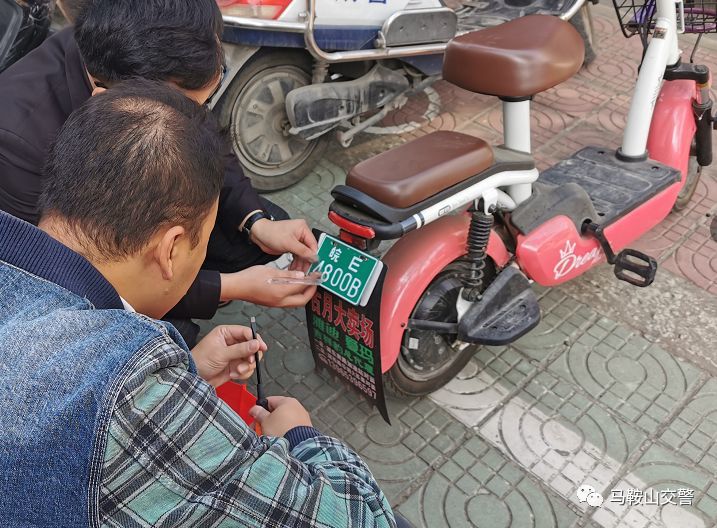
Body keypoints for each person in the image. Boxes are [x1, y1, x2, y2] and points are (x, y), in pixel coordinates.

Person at [0, 80, 396, 527]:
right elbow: (360, 518)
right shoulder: (129, 392)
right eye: (204, 240)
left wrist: (187, 369)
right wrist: (300, 436)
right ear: (170, 250)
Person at [0, 0, 318, 346]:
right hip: (92, 272)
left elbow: (202, 136)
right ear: (121, 101)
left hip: (152, 215)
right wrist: (232, 286)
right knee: (171, 338)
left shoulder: (137, 62)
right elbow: (73, 279)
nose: (200, 117)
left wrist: (256, 221)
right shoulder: (18, 142)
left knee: (264, 236)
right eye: (187, 108)